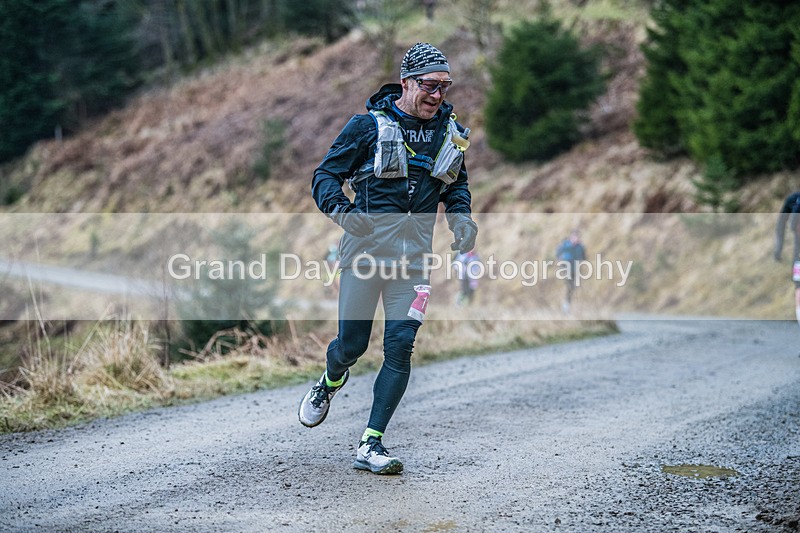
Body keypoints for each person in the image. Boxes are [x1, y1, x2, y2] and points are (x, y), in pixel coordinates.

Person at [299, 42, 477, 474]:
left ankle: (371, 442)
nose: (437, 95)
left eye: (445, 86)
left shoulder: (448, 132)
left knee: (400, 345)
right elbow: (325, 175)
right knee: (352, 346)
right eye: (429, 85)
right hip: (364, 254)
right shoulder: (367, 127)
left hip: (414, 260)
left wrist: (462, 219)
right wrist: (344, 213)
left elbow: (455, 185)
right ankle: (330, 380)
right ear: (406, 83)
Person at [774, 191, 800, 327]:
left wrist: (778, 248)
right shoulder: (794, 200)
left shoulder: (794, 200)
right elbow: (781, 223)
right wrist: (778, 248)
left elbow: (781, 224)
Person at [556, 229, 586, 314]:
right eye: (574, 237)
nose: (576, 239)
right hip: (565, 267)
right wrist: (560, 260)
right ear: (571, 237)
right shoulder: (565, 245)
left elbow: (584, 257)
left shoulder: (580, 247)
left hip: (576, 268)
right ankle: (565, 306)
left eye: (577, 237)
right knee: (569, 285)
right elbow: (558, 253)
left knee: (573, 287)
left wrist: (581, 262)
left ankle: (568, 305)